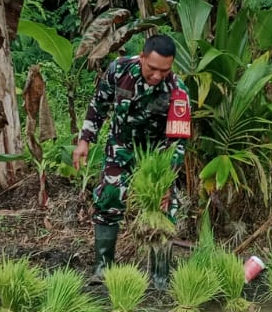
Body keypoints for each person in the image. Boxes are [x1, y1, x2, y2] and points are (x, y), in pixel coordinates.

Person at [73, 33, 192, 288]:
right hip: (121, 146)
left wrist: (166, 181)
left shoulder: (178, 90)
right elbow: (99, 104)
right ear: (142, 57)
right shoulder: (119, 70)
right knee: (109, 197)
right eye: (153, 68)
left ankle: (160, 276)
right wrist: (85, 140)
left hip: (157, 156)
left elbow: (177, 143)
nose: (157, 75)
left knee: (164, 207)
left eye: (165, 70)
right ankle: (103, 268)